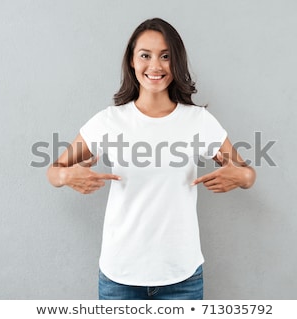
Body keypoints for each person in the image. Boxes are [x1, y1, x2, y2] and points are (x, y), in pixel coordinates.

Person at [47, 18, 256, 300]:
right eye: (145, 55)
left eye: (166, 56)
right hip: (119, 277)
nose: (155, 66)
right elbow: (54, 170)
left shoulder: (197, 121)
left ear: (177, 62)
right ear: (132, 61)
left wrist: (241, 176)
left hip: (182, 276)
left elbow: (246, 172)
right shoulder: (110, 121)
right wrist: (66, 176)